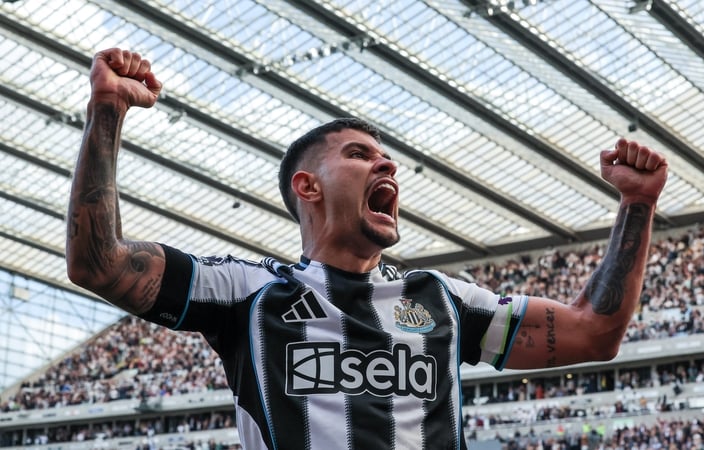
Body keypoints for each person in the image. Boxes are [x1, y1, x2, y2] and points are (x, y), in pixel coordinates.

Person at [66, 48, 668, 450]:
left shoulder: (443, 300)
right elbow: (99, 264)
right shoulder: (248, 292)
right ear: (308, 187)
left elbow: (595, 332)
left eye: (385, 157)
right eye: (358, 154)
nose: (386, 163)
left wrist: (637, 204)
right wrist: (108, 111)